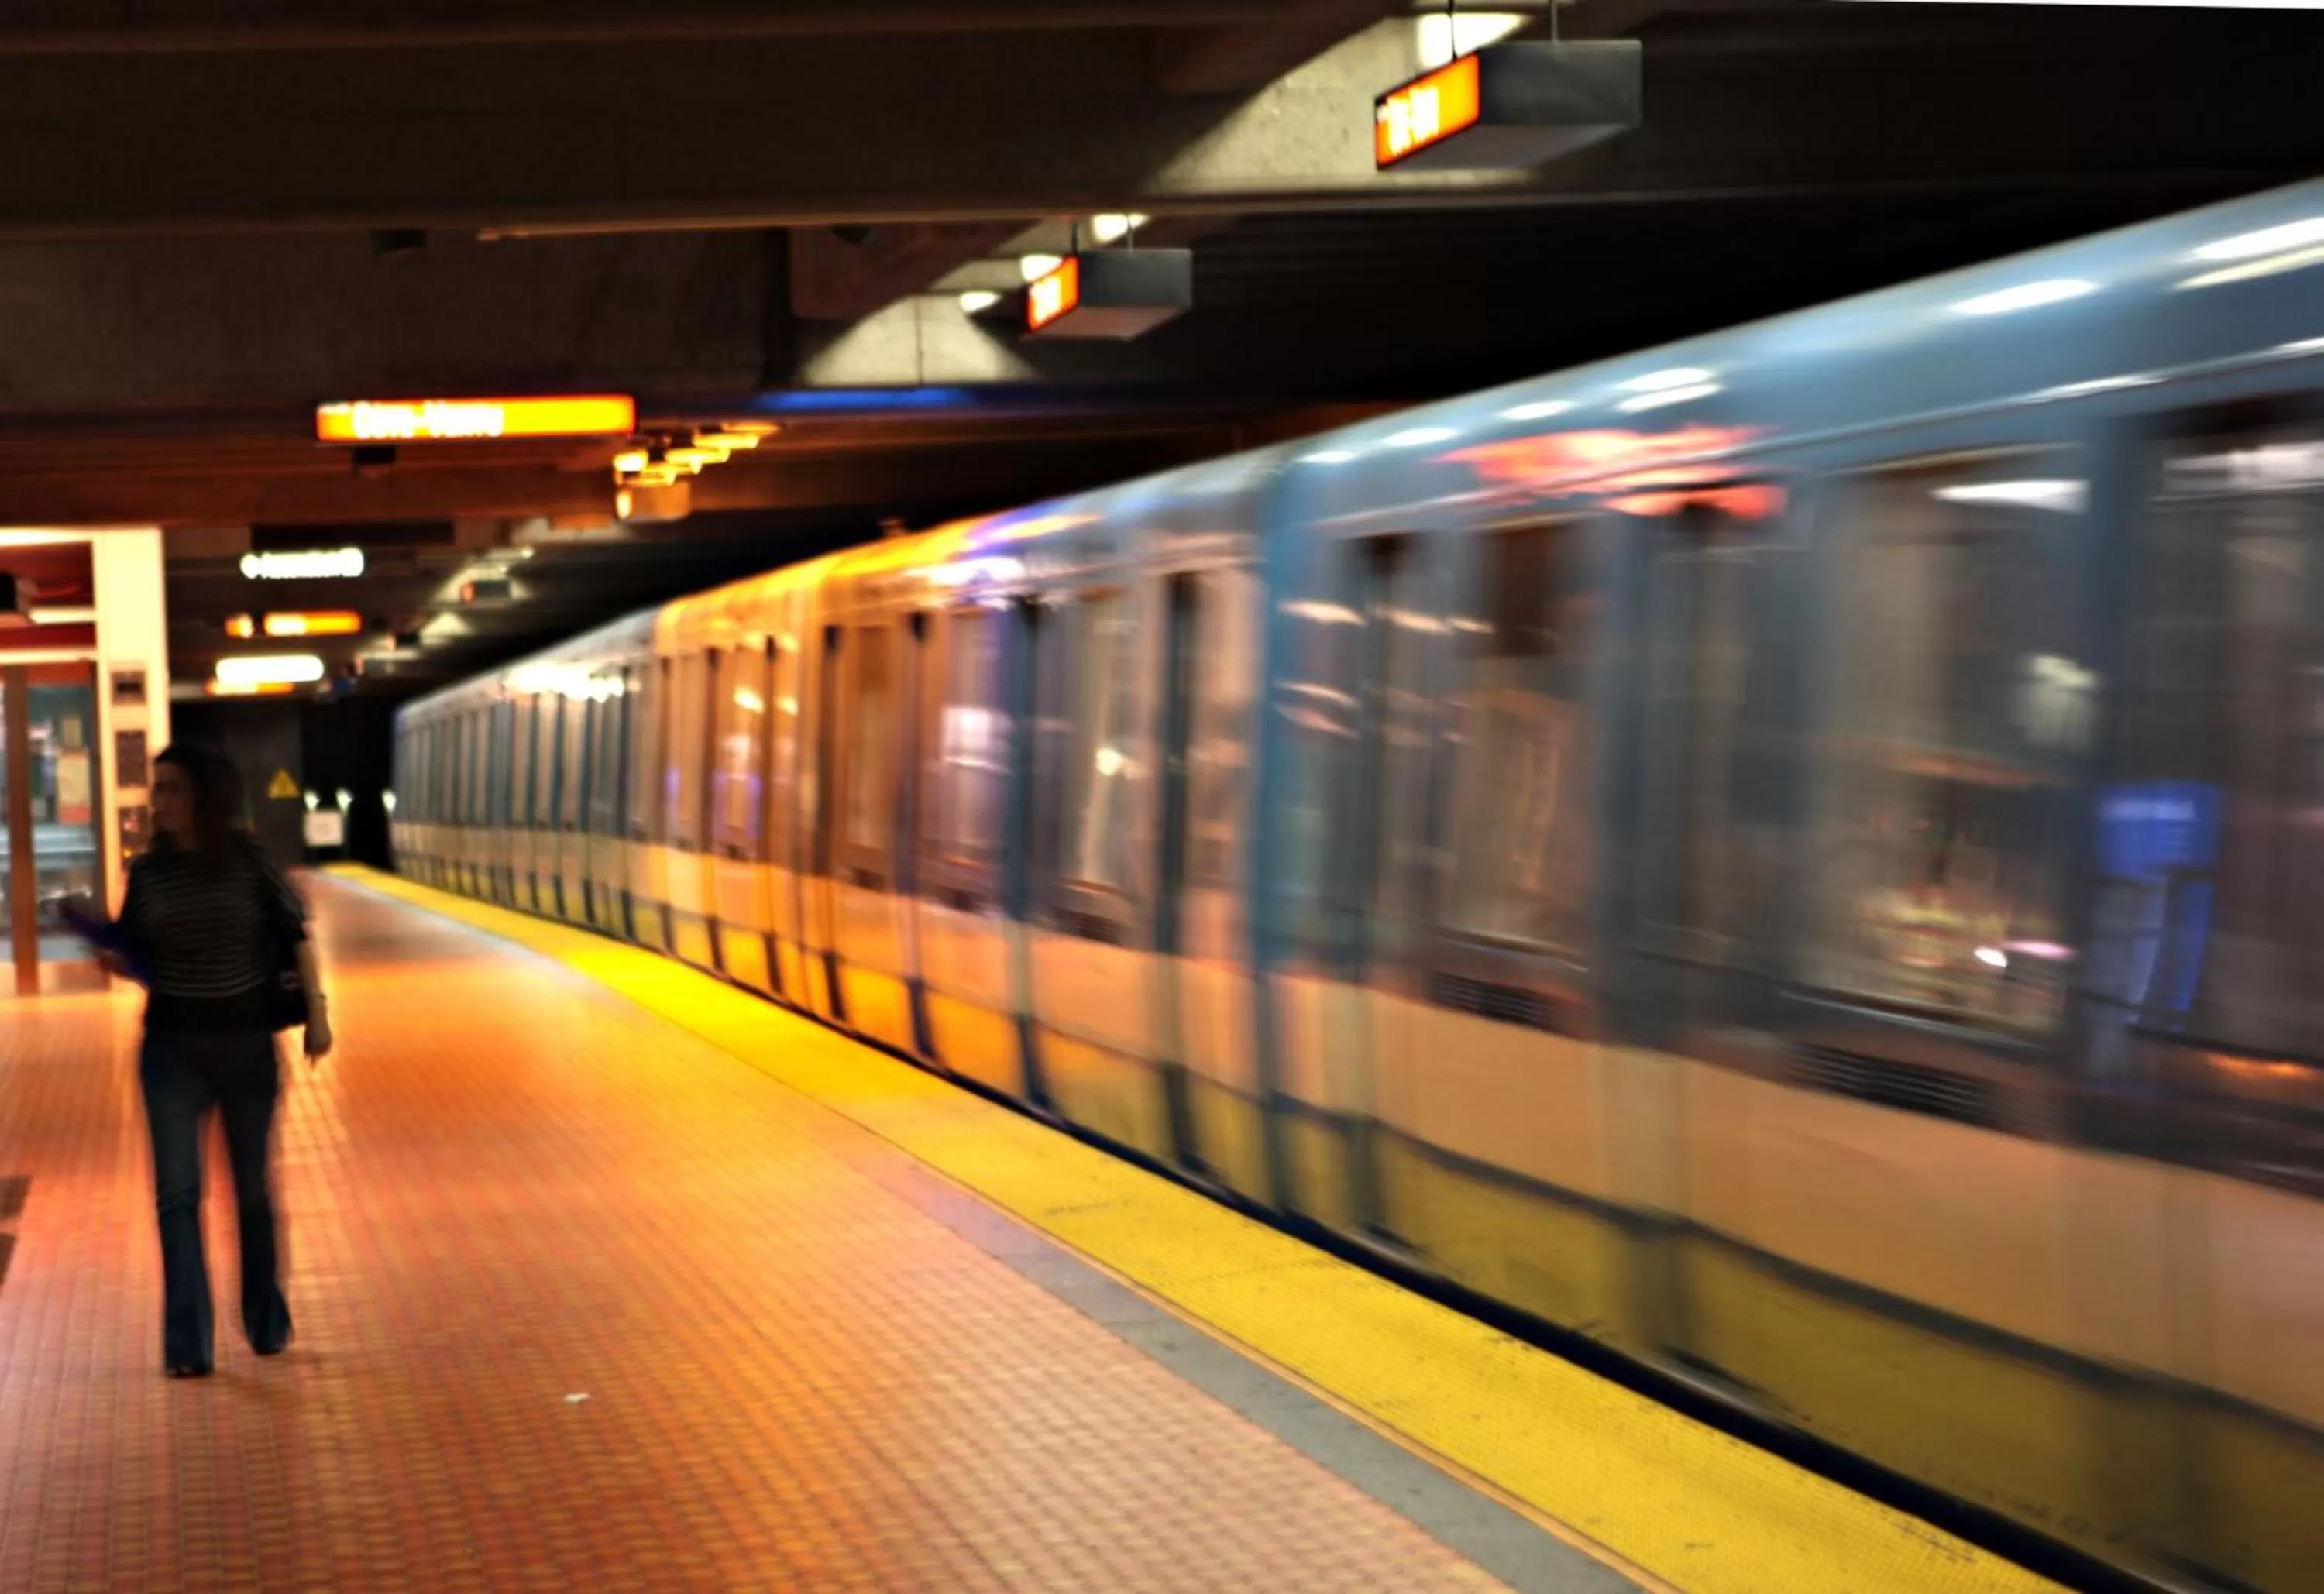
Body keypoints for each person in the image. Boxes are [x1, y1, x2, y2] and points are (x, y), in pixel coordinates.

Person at [111, 744, 332, 1379]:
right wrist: (114, 956)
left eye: (173, 790)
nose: (160, 802)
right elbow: (137, 954)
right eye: (158, 790)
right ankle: (188, 1346)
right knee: (177, 1195)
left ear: (204, 797)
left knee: (252, 1192)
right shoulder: (148, 874)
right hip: (171, 1051)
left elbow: (295, 933)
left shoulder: (247, 862)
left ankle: (265, 1320)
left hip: (245, 1049)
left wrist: (317, 1013)